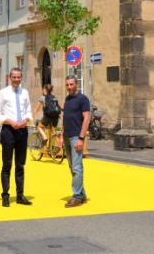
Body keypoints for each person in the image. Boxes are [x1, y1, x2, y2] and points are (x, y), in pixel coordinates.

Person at [0, 67, 33, 207]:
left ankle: (20, 195)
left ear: (21, 78)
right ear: (10, 78)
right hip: (8, 131)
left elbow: (28, 110)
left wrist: (25, 120)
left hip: (22, 131)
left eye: (18, 77)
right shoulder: (4, 93)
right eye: (14, 77)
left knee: (20, 164)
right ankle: (5, 195)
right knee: (7, 164)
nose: (16, 79)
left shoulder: (25, 93)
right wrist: (9, 121)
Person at [62, 75, 90, 208]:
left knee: (77, 168)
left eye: (71, 84)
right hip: (67, 136)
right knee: (72, 167)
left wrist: (81, 138)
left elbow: (86, 118)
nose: (69, 87)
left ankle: (77, 196)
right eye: (67, 85)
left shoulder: (83, 99)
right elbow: (65, 118)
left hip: (76, 137)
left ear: (76, 85)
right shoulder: (67, 99)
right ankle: (82, 194)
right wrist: (62, 136)